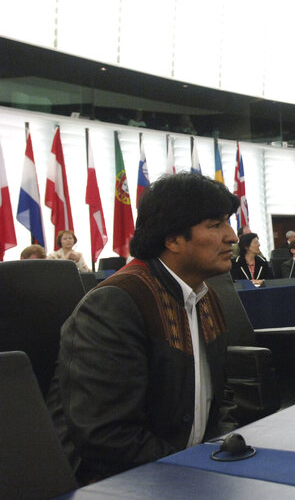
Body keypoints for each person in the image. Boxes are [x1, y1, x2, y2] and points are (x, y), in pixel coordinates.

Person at [47, 173, 239, 484]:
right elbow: (106, 435)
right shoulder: (115, 305)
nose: (232, 236)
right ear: (173, 239)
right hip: (121, 483)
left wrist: (222, 450)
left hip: (190, 473)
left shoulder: (206, 296)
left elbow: (220, 395)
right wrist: (193, 469)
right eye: (215, 225)